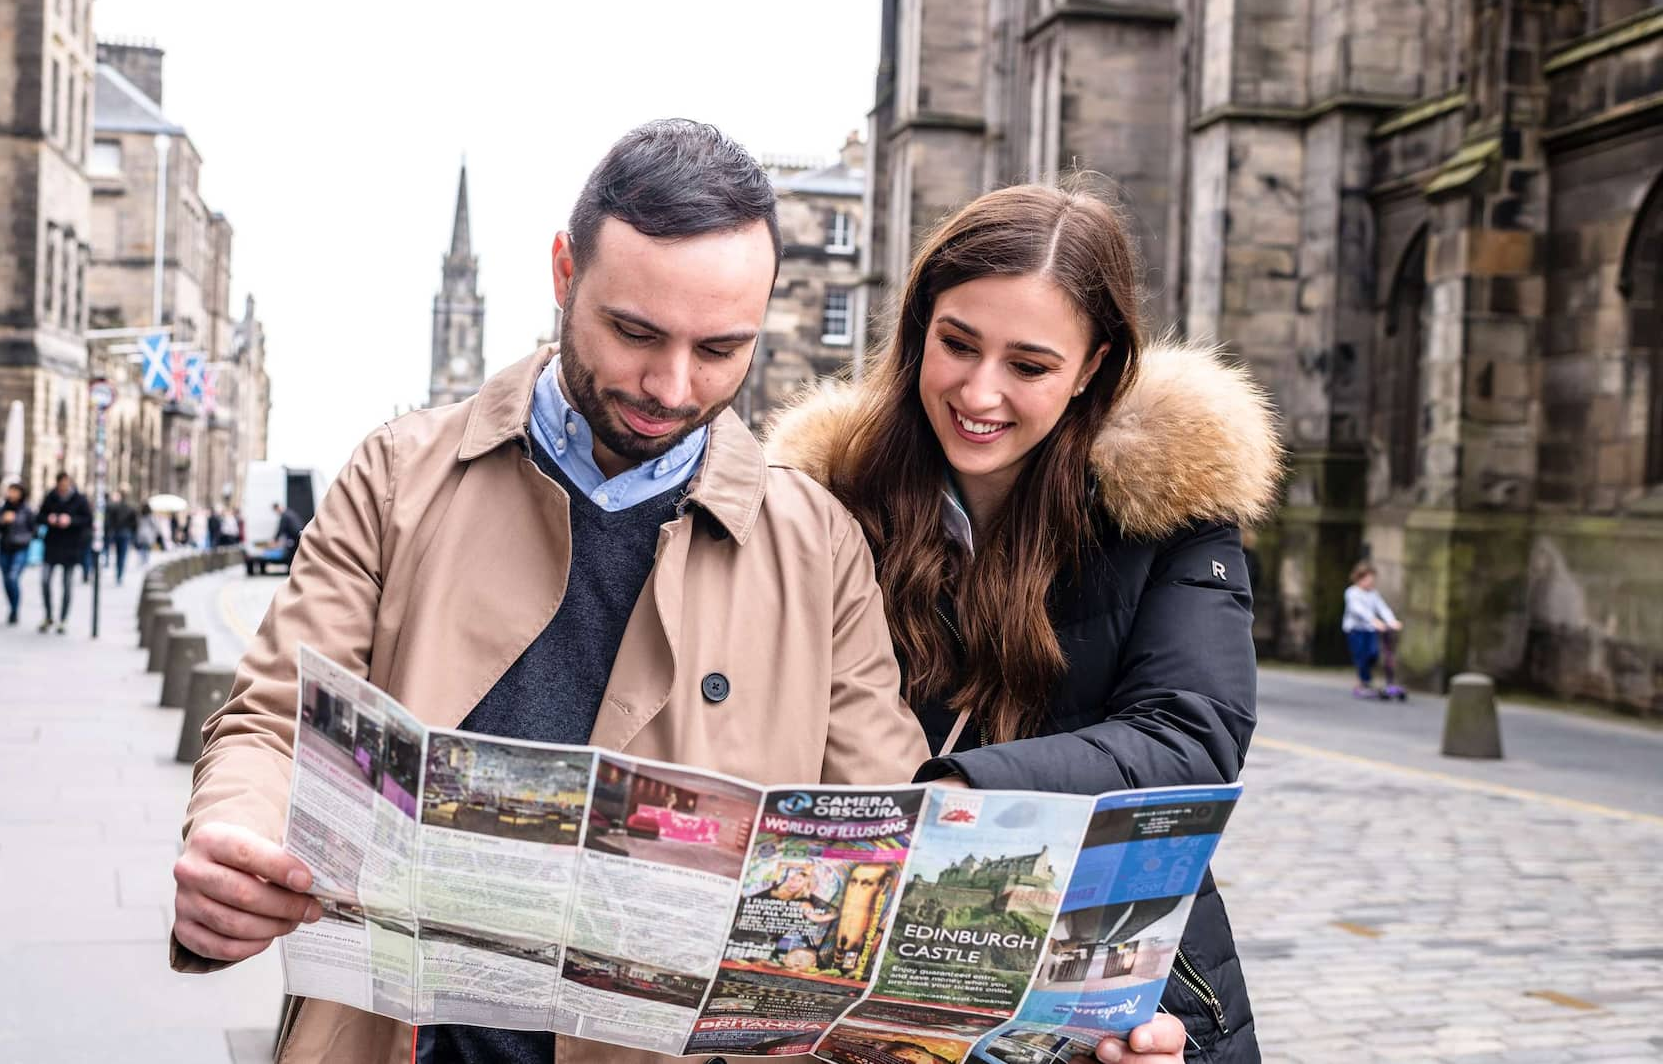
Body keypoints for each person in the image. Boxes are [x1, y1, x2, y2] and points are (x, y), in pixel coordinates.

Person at [168, 120, 962, 1064]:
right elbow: (275, 723)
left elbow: (888, 834)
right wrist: (238, 832)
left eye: (720, 348)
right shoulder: (396, 474)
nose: (670, 387)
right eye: (634, 332)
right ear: (562, 273)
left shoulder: (819, 544)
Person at [766, 180, 1276, 1063]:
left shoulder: (1175, 510)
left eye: (1029, 365)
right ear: (919, 325)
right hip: (877, 985)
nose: (980, 391)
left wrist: (961, 794)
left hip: (1116, 979)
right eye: (956, 343)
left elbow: (1192, 737)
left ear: (1093, 366)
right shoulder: (826, 503)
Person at [34, 472, 92, 634]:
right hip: (52, 545)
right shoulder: (50, 497)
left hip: (70, 547)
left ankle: (63, 618)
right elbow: (39, 516)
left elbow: (87, 520)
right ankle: (48, 615)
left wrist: (70, 520)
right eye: (61, 483)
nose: (64, 486)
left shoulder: (80, 499)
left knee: (67, 584)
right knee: (45, 581)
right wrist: (49, 519)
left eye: (66, 483)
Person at [1342, 560, 1403, 700]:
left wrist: (1392, 621)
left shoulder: (1373, 594)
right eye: (1368, 580)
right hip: (1355, 630)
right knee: (1361, 656)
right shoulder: (1352, 593)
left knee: (1373, 654)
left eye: (1372, 580)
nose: (1370, 583)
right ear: (1359, 579)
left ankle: (1369, 680)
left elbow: (1382, 608)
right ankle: (1364, 682)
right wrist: (1374, 621)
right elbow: (1358, 610)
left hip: (1370, 630)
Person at [0, 483, 36, 625]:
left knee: (12, 578)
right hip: (5, 548)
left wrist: (25, 537)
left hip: (21, 548)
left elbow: (34, 529)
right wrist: (3, 520)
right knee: (6, 580)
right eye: (10, 491)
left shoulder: (27, 510)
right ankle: (12, 607)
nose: (12, 494)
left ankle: (15, 609)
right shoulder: (2, 508)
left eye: (15, 491)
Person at [102, 489, 139, 586]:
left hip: (117, 532)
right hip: (125, 533)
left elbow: (110, 521)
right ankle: (119, 575)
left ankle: (118, 574)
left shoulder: (115, 507)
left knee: (119, 554)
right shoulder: (130, 508)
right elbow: (134, 524)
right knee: (122, 555)